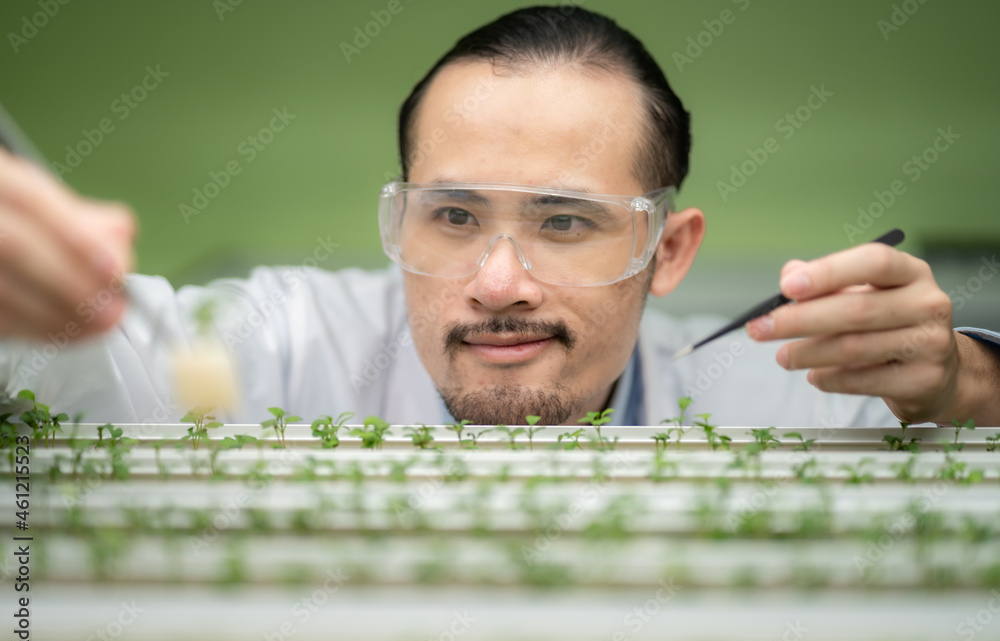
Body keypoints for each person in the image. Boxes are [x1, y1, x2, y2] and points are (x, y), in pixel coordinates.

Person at [0, 6, 997, 428]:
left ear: (668, 248)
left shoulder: (773, 389)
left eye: (564, 221)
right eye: (453, 216)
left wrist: (966, 381)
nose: (497, 282)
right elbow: (83, 359)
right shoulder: (291, 345)